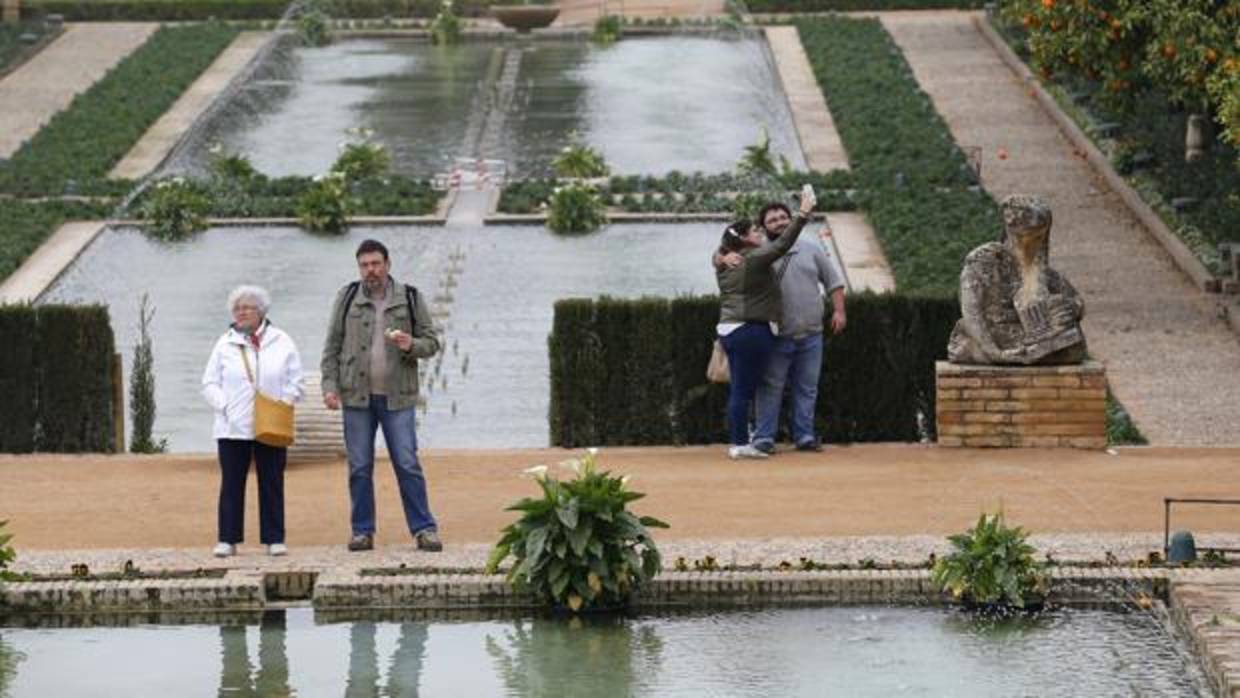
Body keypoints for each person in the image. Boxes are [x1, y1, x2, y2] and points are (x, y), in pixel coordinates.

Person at [321, 239, 443, 552]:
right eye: (364, 265)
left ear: (387, 264)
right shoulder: (347, 296)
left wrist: (410, 345)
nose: (370, 270)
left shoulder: (411, 298)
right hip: (356, 398)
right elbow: (332, 345)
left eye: (375, 263)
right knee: (359, 466)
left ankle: (424, 529)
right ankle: (362, 531)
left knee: (407, 463)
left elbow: (431, 343)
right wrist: (329, 386)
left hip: (397, 398)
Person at [201, 285, 304, 557]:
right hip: (232, 427)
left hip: (270, 423)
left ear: (261, 311)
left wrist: (284, 402)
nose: (241, 312)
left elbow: (296, 381)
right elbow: (209, 383)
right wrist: (224, 407)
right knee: (232, 483)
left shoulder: (282, 340)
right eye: (237, 308)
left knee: (272, 481)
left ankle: (274, 538)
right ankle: (227, 539)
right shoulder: (224, 343)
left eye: (247, 307)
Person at [714, 189, 815, 459]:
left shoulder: (725, 263)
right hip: (749, 331)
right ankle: (739, 444)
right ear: (745, 240)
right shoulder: (754, 259)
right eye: (755, 232)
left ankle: (741, 440)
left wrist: (720, 255)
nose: (760, 235)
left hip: (730, 330)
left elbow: (720, 251)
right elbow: (782, 244)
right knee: (743, 391)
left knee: (740, 389)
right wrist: (803, 214)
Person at [750, 202, 847, 453]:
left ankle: (804, 436)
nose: (780, 222)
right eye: (773, 220)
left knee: (807, 389)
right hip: (776, 336)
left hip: (812, 335)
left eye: (784, 217)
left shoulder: (812, 249)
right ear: (763, 227)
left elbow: (834, 282)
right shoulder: (760, 255)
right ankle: (763, 439)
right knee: (770, 388)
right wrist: (721, 256)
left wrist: (839, 311)